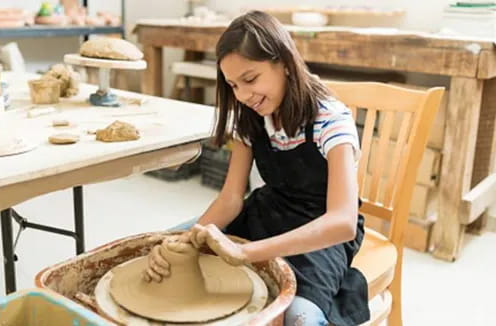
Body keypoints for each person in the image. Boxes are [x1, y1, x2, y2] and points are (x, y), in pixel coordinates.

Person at [145, 11, 370, 326]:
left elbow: (342, 221)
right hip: (268, 210)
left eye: (250, 79)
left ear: (286, 64)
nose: (242, 95)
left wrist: (249, 253)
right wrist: (181, 242)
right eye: (233, 85)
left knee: (300, 317)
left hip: (321, 230)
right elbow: (231, 199)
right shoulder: (251, 117)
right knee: (165, 245)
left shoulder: (330, 119)